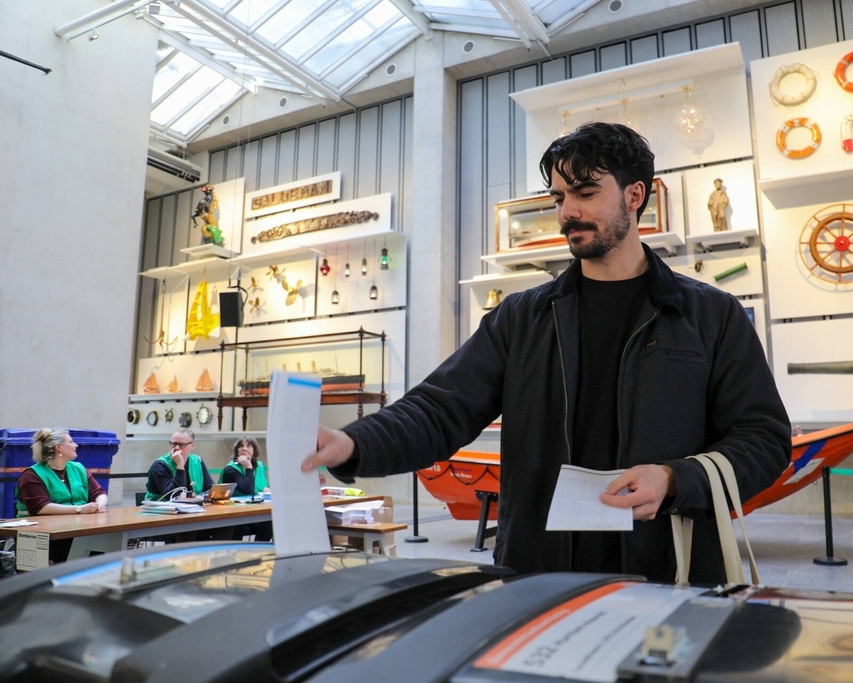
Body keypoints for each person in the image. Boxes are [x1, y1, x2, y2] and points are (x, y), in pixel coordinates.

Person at [303, 122, 791, 584]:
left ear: (635, 195)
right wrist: (354, 444)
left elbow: (764, 438)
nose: (566, 213)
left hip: (669, 570)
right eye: (559, 197)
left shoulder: (711, 314)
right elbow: (440, 408)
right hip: (538, 574)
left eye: (585, 194)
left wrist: (674, 478)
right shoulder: (521, 318)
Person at [15, 429, 109, 563]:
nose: (76, 445)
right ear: (59, 448)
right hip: (44, 535)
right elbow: (41, 507)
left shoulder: (78, 468)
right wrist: (80, 509)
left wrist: (100, 504)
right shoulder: (31, 475)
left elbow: (98, 493)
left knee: (100, 543)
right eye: (71, 442)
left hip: (77, 529)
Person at [220, 436, 272, 542]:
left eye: (248, 446)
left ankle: (259, 552)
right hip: (235, 513)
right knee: (238, 528)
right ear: (236, 451)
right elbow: (247, 490)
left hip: (256, 510)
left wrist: (267, 489)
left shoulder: (259, 466)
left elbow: (263, 486)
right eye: (241, 446)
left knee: (270, 523)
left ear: (254, 450)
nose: (244, 449)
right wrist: (248, 467)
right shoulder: (230, 469)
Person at [145, 428, 214, 500]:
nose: (177, 448)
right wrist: (180, 466)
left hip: (193, 508)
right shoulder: (160, 465)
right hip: (162, 508)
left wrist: (200, 497)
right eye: (174, 444)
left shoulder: (197, 461)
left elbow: (211, 489)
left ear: (192, 446)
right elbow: (172, 496)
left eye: (182, 445)